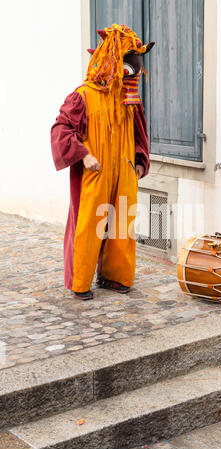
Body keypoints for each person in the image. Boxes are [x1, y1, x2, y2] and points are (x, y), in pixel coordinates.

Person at [51, 24, 155, 300]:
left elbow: (138, 132)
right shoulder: (83, 96)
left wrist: (140, 161)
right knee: (88, 225)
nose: (132, 75)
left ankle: (115, 276)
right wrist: (84, 155)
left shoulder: (128, 97)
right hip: (94, 171)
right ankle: (81, 281)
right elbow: (61, 130)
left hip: (123, 170)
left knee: (122, 224)